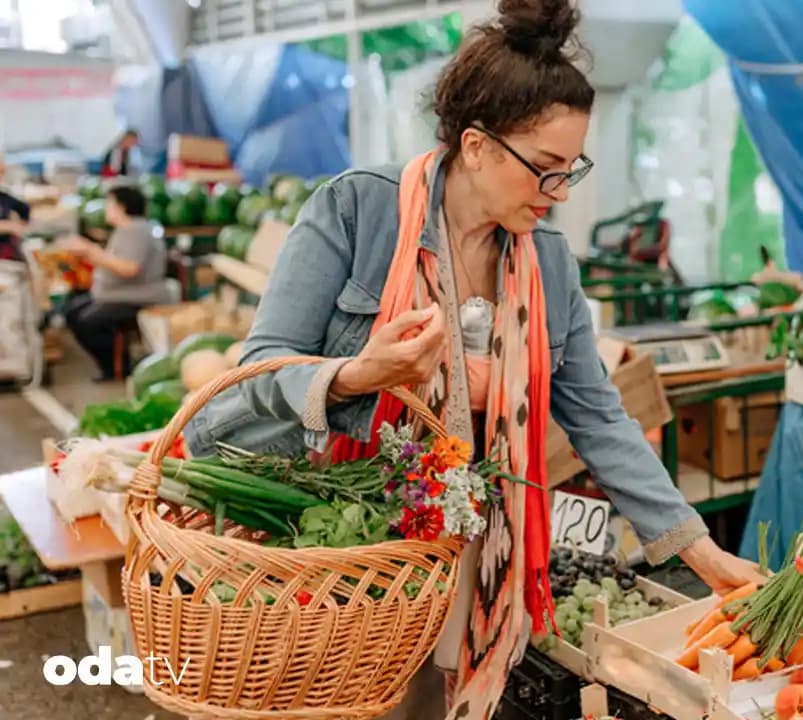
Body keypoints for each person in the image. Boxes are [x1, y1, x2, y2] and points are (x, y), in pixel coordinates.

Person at [186, 0, 764, 717]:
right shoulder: (358, 212)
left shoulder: (548, 264)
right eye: (544, 168)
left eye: (571, 169)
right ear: (478, 145)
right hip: (345, 538)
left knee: (439, 700)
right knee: (350, 699)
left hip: (472, 543)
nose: (559, 192)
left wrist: (701, 553)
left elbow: (598, 417)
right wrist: (360, 375)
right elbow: (263, 365)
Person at [60, 185, 169, 380]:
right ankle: (113, 364)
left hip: (137, 297)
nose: (106, 208)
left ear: (121, 207)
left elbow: (130, 268)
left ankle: (117, 367)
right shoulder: (126, 229)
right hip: (116, 293)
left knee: (88, 322)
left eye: (109, 203)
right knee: (72, 312)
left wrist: (92, 251)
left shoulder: (136, 230)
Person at [0, 159, 30, 262]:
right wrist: (8, 226)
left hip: (5, 254)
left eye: (1, 172)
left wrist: (19, 225)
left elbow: (25, 209)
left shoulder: (4, 197)